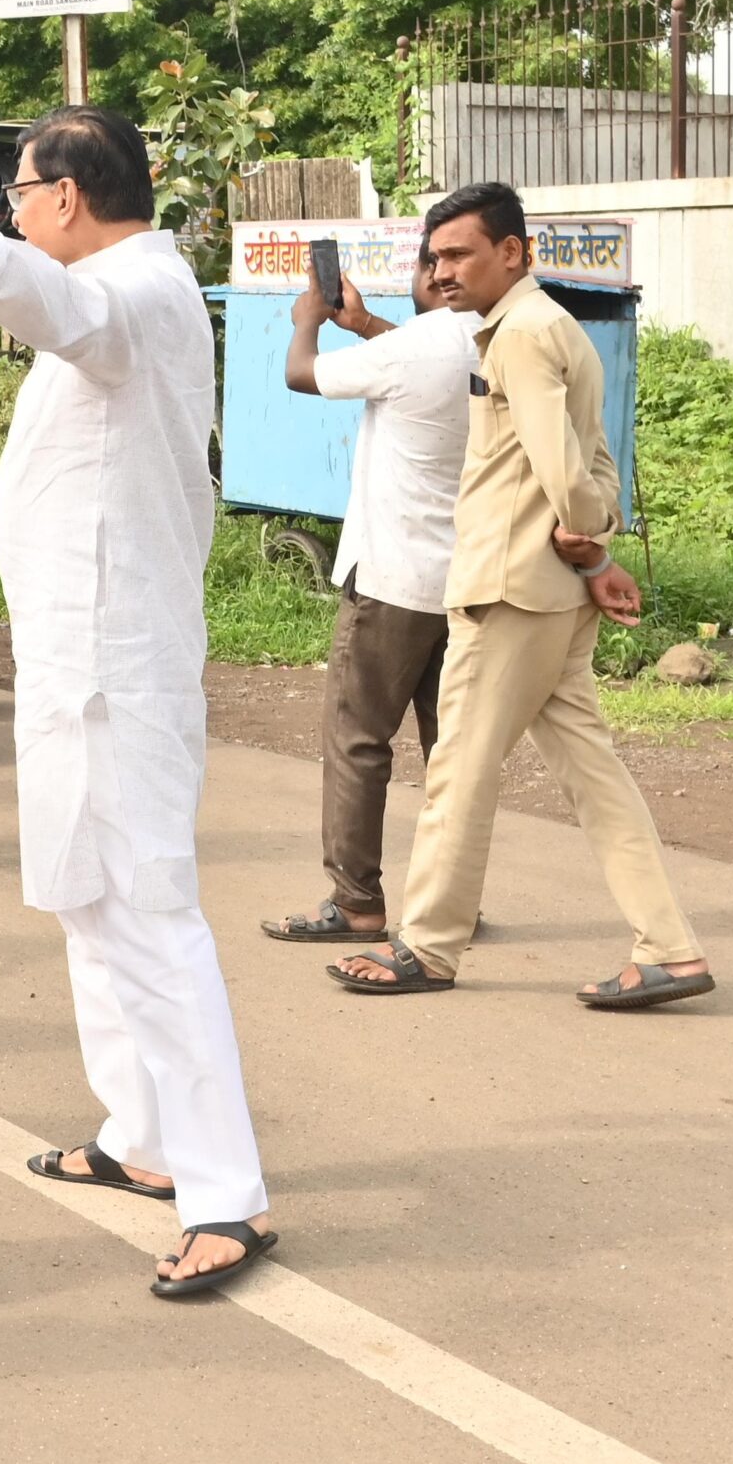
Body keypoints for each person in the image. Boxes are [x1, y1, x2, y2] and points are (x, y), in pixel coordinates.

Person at [0, 109, 274, 1297]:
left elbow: (72, 315)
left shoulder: (143, 290)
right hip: (79, 663)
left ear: (66, 197)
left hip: (116, 665)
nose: (14, 208)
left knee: (149, 908)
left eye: (21, 193)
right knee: (85, 896)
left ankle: (227, 1193)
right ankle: (142, 1138)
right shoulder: (124, 287)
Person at [332, 182, 716, 1012]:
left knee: (459, 775)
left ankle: (427, 948)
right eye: (434, 258)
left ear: (514, 252)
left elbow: (565, 468)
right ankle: (672, 950)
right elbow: (599, 461)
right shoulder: (551, 330)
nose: (442, 273)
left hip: (506, 593)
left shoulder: (519, 337)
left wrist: (585, 530)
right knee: (594, 776)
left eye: (460, 254)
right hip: (550, 594)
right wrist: (594, 549)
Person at [260, 244, 476, 951]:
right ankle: (452, 907)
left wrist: (308, 320)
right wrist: (367, 326)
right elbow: (420, 355)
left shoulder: (413, 348)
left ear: (427, 276)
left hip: (391, 581)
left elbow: (300, 374)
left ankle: (356, 902)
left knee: (358, 741)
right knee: (453, 752)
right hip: (470, 583)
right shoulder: (497, 339)